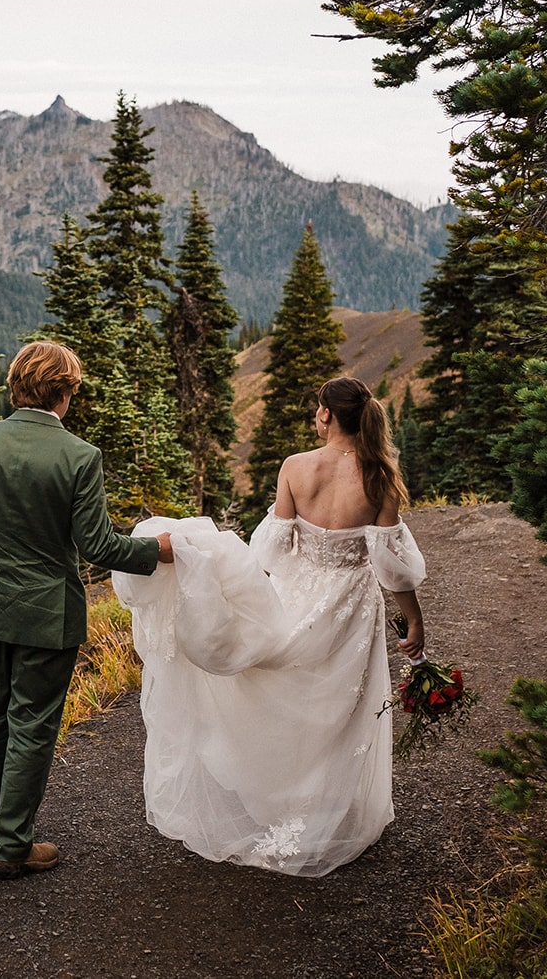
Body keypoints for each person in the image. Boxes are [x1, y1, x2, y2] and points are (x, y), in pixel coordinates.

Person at [114, 375, 427, 877]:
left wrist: (248, 599)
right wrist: (412, 617)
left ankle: (282, 803)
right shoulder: (380, 475)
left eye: (316, 409)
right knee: (342, 708)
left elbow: (271, 550)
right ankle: (326, 813)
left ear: (327, 415)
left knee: (285, 695)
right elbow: (389, 564)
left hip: (297, 593)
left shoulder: (296, 468)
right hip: (350, 603)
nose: (313, 417)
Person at [0, 340, 174, 880]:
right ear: (63, 394)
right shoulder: (79, 457)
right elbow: (100, 547)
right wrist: (158, 551)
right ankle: (12, 845)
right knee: (32, 722)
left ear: (15, 386)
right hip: (46, 614)